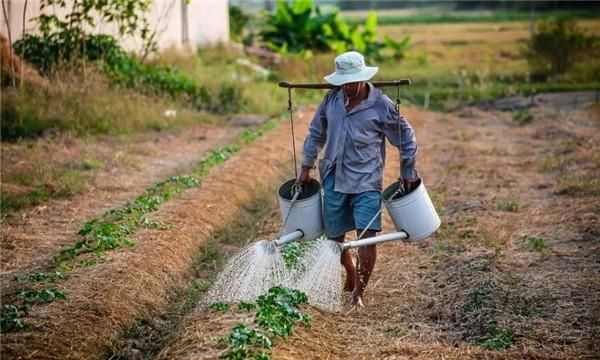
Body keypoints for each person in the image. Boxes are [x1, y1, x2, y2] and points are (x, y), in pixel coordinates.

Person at [297, 51, 419, 306]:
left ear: (363, 78)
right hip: (334, 176)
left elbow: (406, 137)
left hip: (366, 181)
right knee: (334, 239)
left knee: (367, 236)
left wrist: (408, 171)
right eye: (344, 82)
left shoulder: (381, 105)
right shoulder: (331, 99)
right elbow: (316, 132)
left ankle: (358, 293)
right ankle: (351, 273)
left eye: (353, 81)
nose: (348, 86)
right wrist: (306, 166)